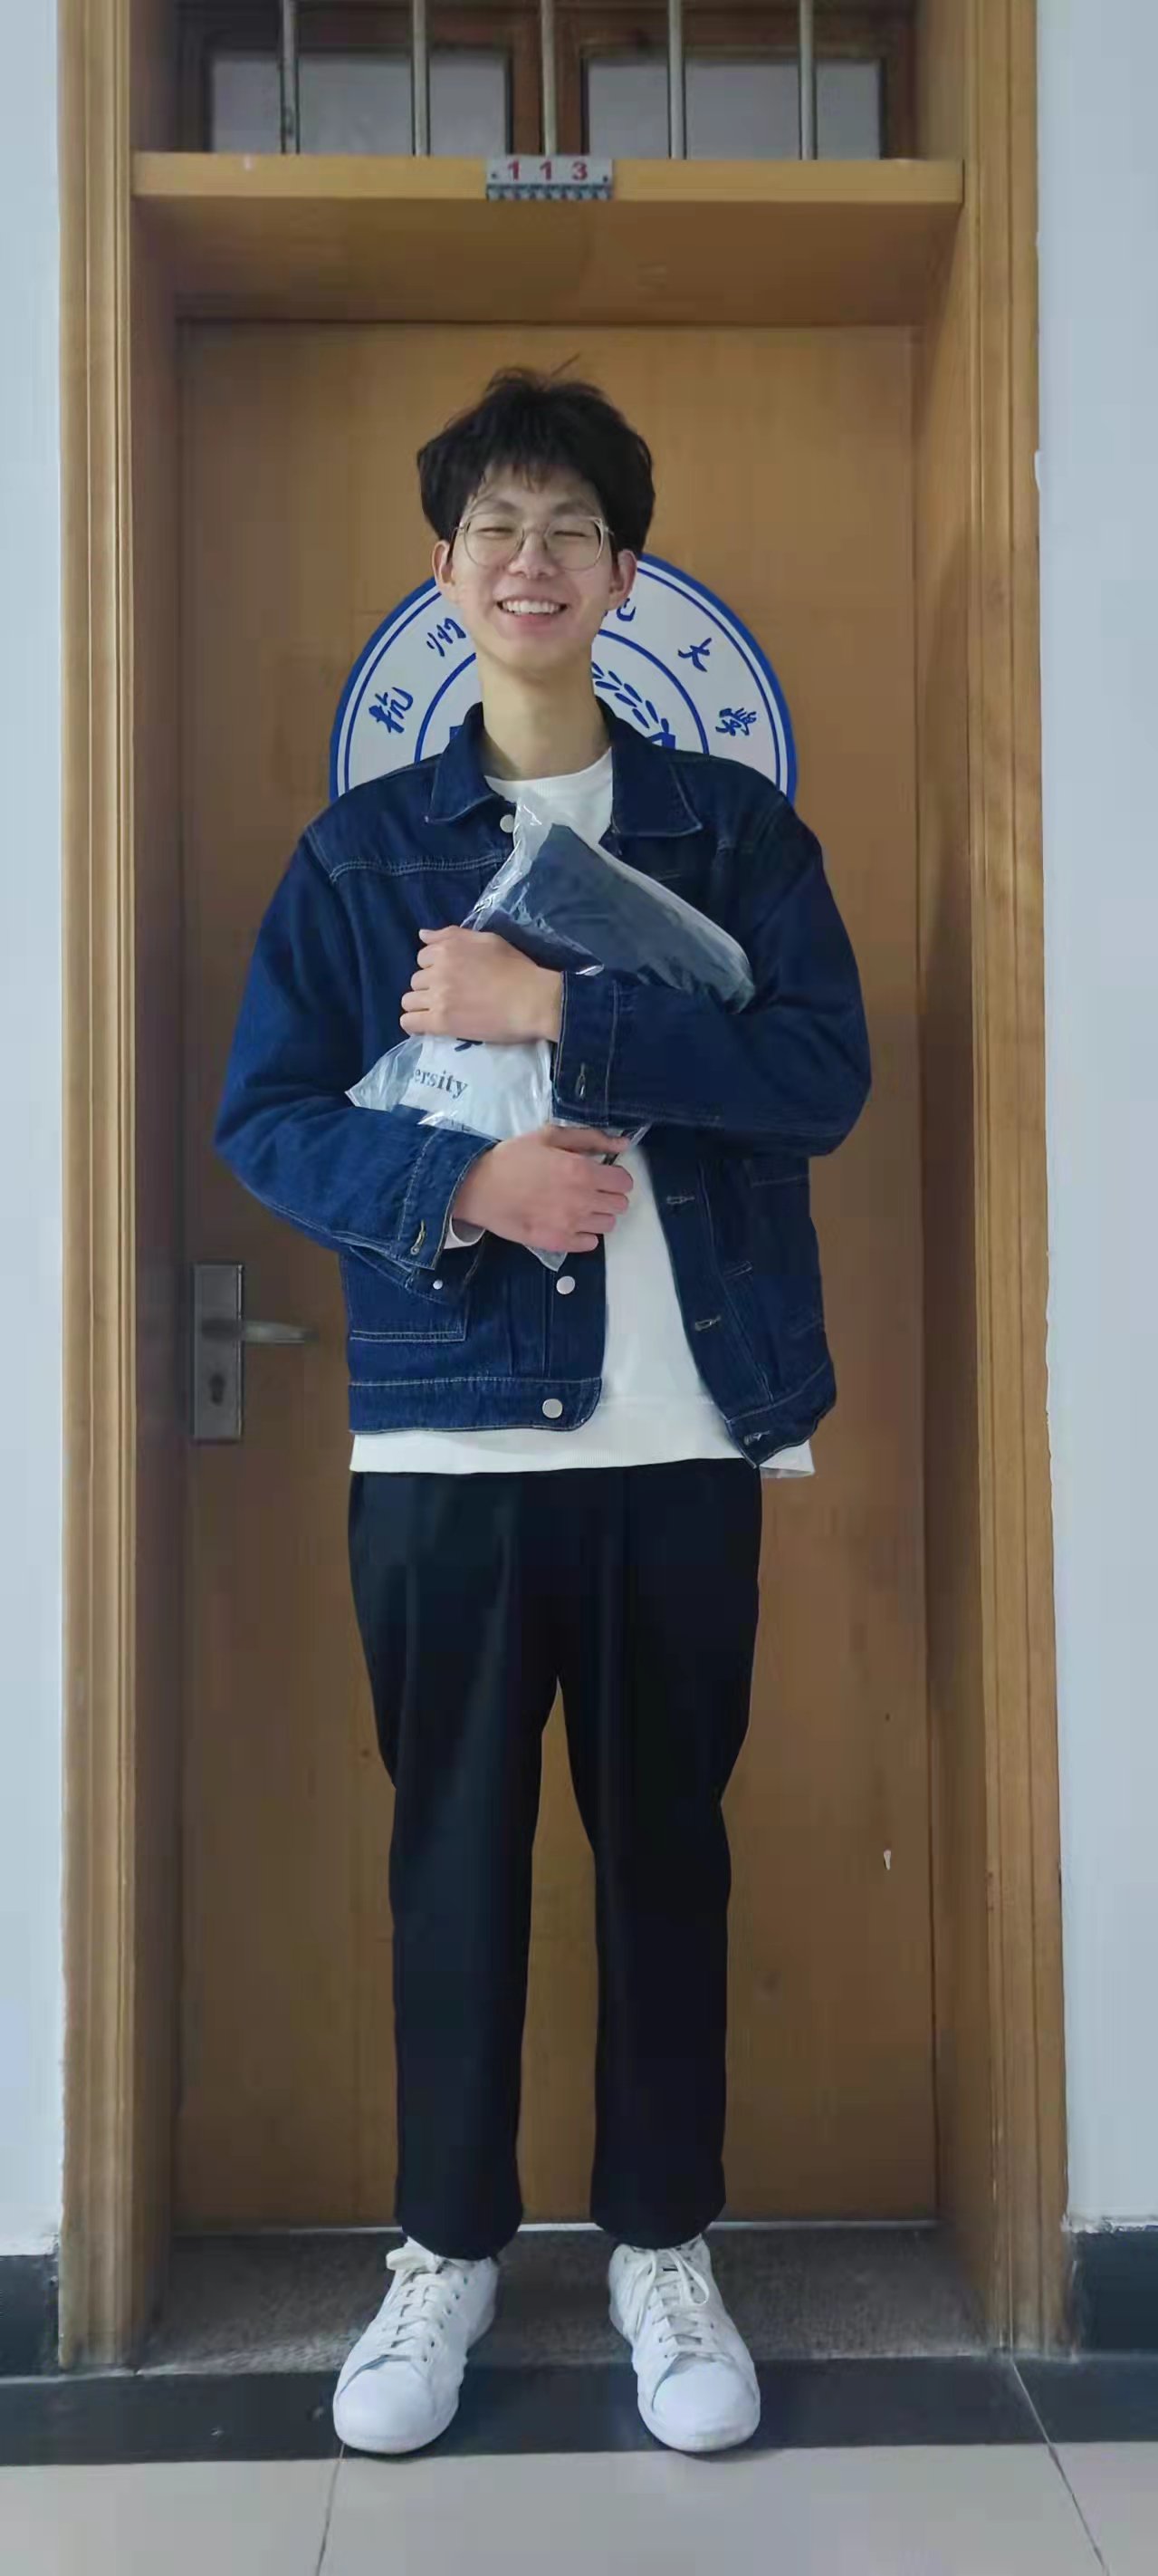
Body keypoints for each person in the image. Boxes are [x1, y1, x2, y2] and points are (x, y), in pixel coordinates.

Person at [215, 367, 871, 2459]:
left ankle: (664, 2246)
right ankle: (445, 2255)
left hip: (684, 1437)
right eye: (496, 527)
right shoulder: (361, 857)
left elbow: (819, 1079)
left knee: (667, 1854)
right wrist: (462, 1185)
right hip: (446, 1450)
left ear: (624, 574)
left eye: (571, 527)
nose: (531, 559)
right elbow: (266, 1116)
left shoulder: (733, 835)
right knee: (453, 1862)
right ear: (444, 574)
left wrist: (558, 1010)